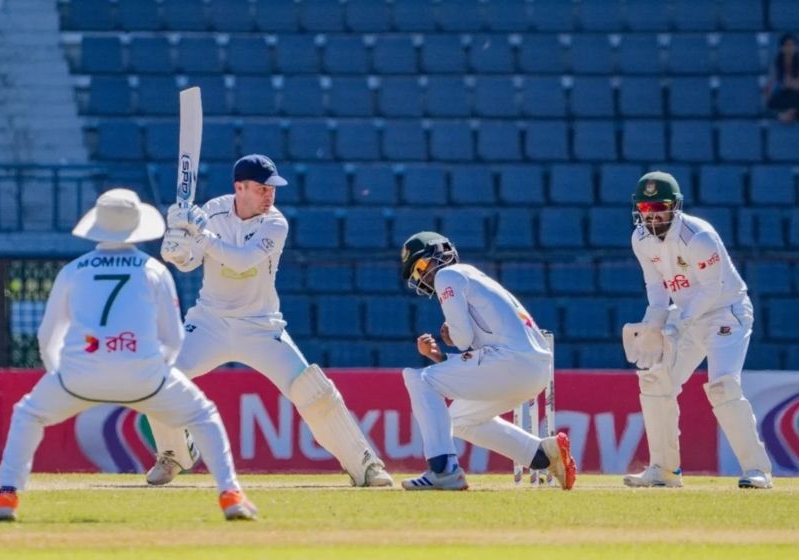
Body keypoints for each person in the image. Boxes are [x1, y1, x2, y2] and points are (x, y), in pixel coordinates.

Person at [0, 188, 258, 522]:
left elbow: (47, 336)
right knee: (204, 416)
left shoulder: (74, 270)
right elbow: (173, 338)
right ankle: (231, 494)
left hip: (78, 375)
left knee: (27, 414)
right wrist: (155, 374)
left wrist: (62, 377)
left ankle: (7, 496)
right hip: (145, 376)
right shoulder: (154, 270)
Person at [150, 154, 393, 488]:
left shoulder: (275, 223)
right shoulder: (211, 212)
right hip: (210, 322)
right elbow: (189, 262)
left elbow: (242, 261)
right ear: (240, 187)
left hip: (260, 325)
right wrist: (176, 245)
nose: (270, 195)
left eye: (272, 189)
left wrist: (200, 236)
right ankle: (174, 453)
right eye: (263, 189)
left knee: (313, 390)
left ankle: (365, 465)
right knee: (159, 379)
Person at [622, 171, 773, 489]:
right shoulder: (640, 239)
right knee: (655, 380)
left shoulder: (698, 236)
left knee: (722, 386)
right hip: (687, 314)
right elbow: (656, 285)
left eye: (659, 206)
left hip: (726, 312)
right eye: (646, 208)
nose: (653, 215)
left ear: (674, 206)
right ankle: (664, 470)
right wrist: (654, 323)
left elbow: (712, 290)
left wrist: (679, 325)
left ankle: (757, 471)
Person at [397, 231, 576, 491]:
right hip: (530, 369)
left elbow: (464, 338)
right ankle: (543, 454)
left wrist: (454, 337)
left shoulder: (449, 275)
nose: (423, 276)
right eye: (417, 273)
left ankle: (443, 470)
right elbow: (481, 354)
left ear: (441, 254)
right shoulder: (475, 279)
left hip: (512, 363)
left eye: (423, 265)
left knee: (418, 378)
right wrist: (440, 356)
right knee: (459, 420)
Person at [764, 33, 799, 123]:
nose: (790, 48)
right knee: (772, 102)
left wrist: (793, 84)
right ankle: (785, 114)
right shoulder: (775, 65)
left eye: (792, 45)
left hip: (796, 95)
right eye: (787, 45)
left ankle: (791, 113)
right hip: (782, 96)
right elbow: (769, 87)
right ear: (782, 48)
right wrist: (782, 85)